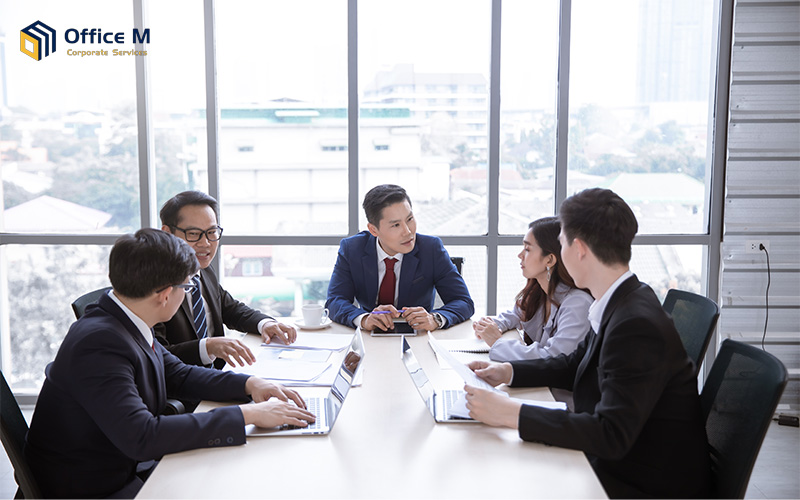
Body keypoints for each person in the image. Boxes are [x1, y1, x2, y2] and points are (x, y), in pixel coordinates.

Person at [24, 229, 315, 499]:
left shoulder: (123, 316)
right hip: (92, 487)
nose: (188, 292)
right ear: (165, 294)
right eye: (187, 287)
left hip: (117, 465)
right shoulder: (100, 344)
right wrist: (248, 415)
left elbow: (177, 373)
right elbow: (142, 436)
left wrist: (251, 384)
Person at [464, 188, 711, 498]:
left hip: (644, 480)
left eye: (563, 242)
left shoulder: (635, 323)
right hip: (628, 460)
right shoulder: (621, 298)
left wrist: (511, 413)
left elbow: (610, 434)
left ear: (578, 248)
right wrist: (507, 372)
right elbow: (574, 364)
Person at [155, 191, 297, 370]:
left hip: (220, 374)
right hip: (183, 389)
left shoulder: (203, 269)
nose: (205, 243)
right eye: (193, 234)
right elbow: (156, 355)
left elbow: (230, 309)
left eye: (211, 232)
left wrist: (265, 324)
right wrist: (208, 347)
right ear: (167, 233)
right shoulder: (152, 284)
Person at [326, 184, 474, 332]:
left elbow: (463, 301)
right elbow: (334, 301)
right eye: (396, 225)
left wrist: (434, 319)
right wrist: (364, 319)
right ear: (373, 229)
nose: (408, 231)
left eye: (409, 219)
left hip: (419, 336)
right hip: (369, 337)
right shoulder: (352, 249)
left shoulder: (431, 249)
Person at [473, 216, 593, 362]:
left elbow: (552, 358)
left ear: (549, 260)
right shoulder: (540, 292)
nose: (520, 255)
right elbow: (516, 314)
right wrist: (493, 325)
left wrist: (497, 342)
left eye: (527, 249)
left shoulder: (578, 304)